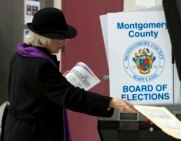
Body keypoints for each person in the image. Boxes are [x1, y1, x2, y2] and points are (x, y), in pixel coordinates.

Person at [1, 7, 136, 141]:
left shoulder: (21, 54)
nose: (64, 44)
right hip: (34, 134)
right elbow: (72, 97)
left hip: (15, 130)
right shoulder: (41, 65)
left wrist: (59, 81)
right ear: (45, 38)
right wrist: (110, 102)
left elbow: (33, 90)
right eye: (60, 39)